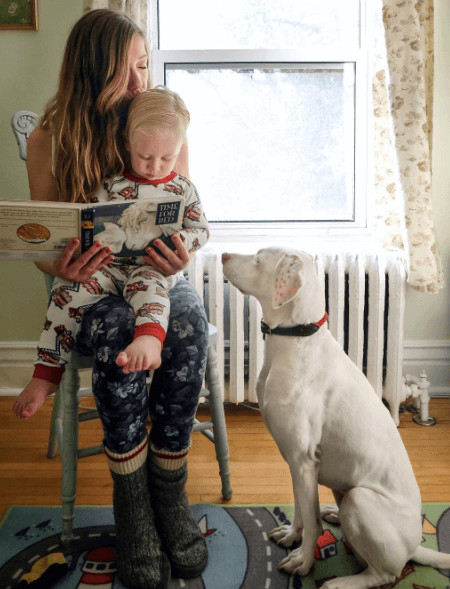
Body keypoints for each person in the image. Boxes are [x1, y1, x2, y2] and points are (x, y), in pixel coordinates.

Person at [11, 9, 209, 589]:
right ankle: (132, 502)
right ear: (93, 72)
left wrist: (180, 255)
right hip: (94, 284)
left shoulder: (161, 125)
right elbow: (46, 246)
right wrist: (61, 263)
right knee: (120, 332)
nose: (142, 82)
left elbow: (187, 213)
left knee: (188, 331)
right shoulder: (49, 140)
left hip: (156, 275)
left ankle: (168, 493)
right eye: (128, 71)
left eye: (145, 65)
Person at [14, 87, 209, 409]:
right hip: (106, 267)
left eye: (167, 157)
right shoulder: (112, 183)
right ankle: (45, 372)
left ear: (179, 149)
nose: (154, 166)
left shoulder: (182, 188)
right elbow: (90, 217)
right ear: (128, 143)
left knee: (152, 292)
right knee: (66, 294)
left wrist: (181, 244)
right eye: (145, 156)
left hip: (150, 266)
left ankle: (149, 339)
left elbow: (199, 229)